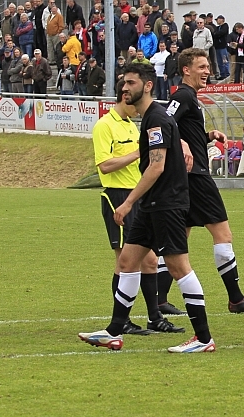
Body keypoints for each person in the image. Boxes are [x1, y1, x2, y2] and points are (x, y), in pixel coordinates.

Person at [79, 62, 216, 354]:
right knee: (128, 261)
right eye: (123, 83)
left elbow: (156, 166)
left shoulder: (156, 119)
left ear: (148, 85)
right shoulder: (149, 119)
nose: (124, 88)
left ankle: (204, 339)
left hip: (166, 204)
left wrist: (128, 202)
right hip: (151, 204)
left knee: (179, 267)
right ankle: (114, 332)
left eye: (131, 83)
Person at [166, 48, 244, 314]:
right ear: (186, 70)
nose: (207, 71)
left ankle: (159, 300)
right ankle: (236, 299)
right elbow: (164, 123)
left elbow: (181, 130)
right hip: (197, 177)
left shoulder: (191, 98)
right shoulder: (183, 95)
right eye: (201, 67)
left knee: (180, 239)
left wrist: (208, 135)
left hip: (187, 177)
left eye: (207, 67)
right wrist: (181, 144)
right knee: (223, 235)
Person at [91, 80, 184, 338]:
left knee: (151, 260)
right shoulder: (104, 126)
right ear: (125, 97)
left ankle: (154, 317)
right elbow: (104, 165)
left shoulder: (133, 125)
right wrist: (136, 154)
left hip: (137, 195)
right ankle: (123, 321)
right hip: (118, 196)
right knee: (124, 260)